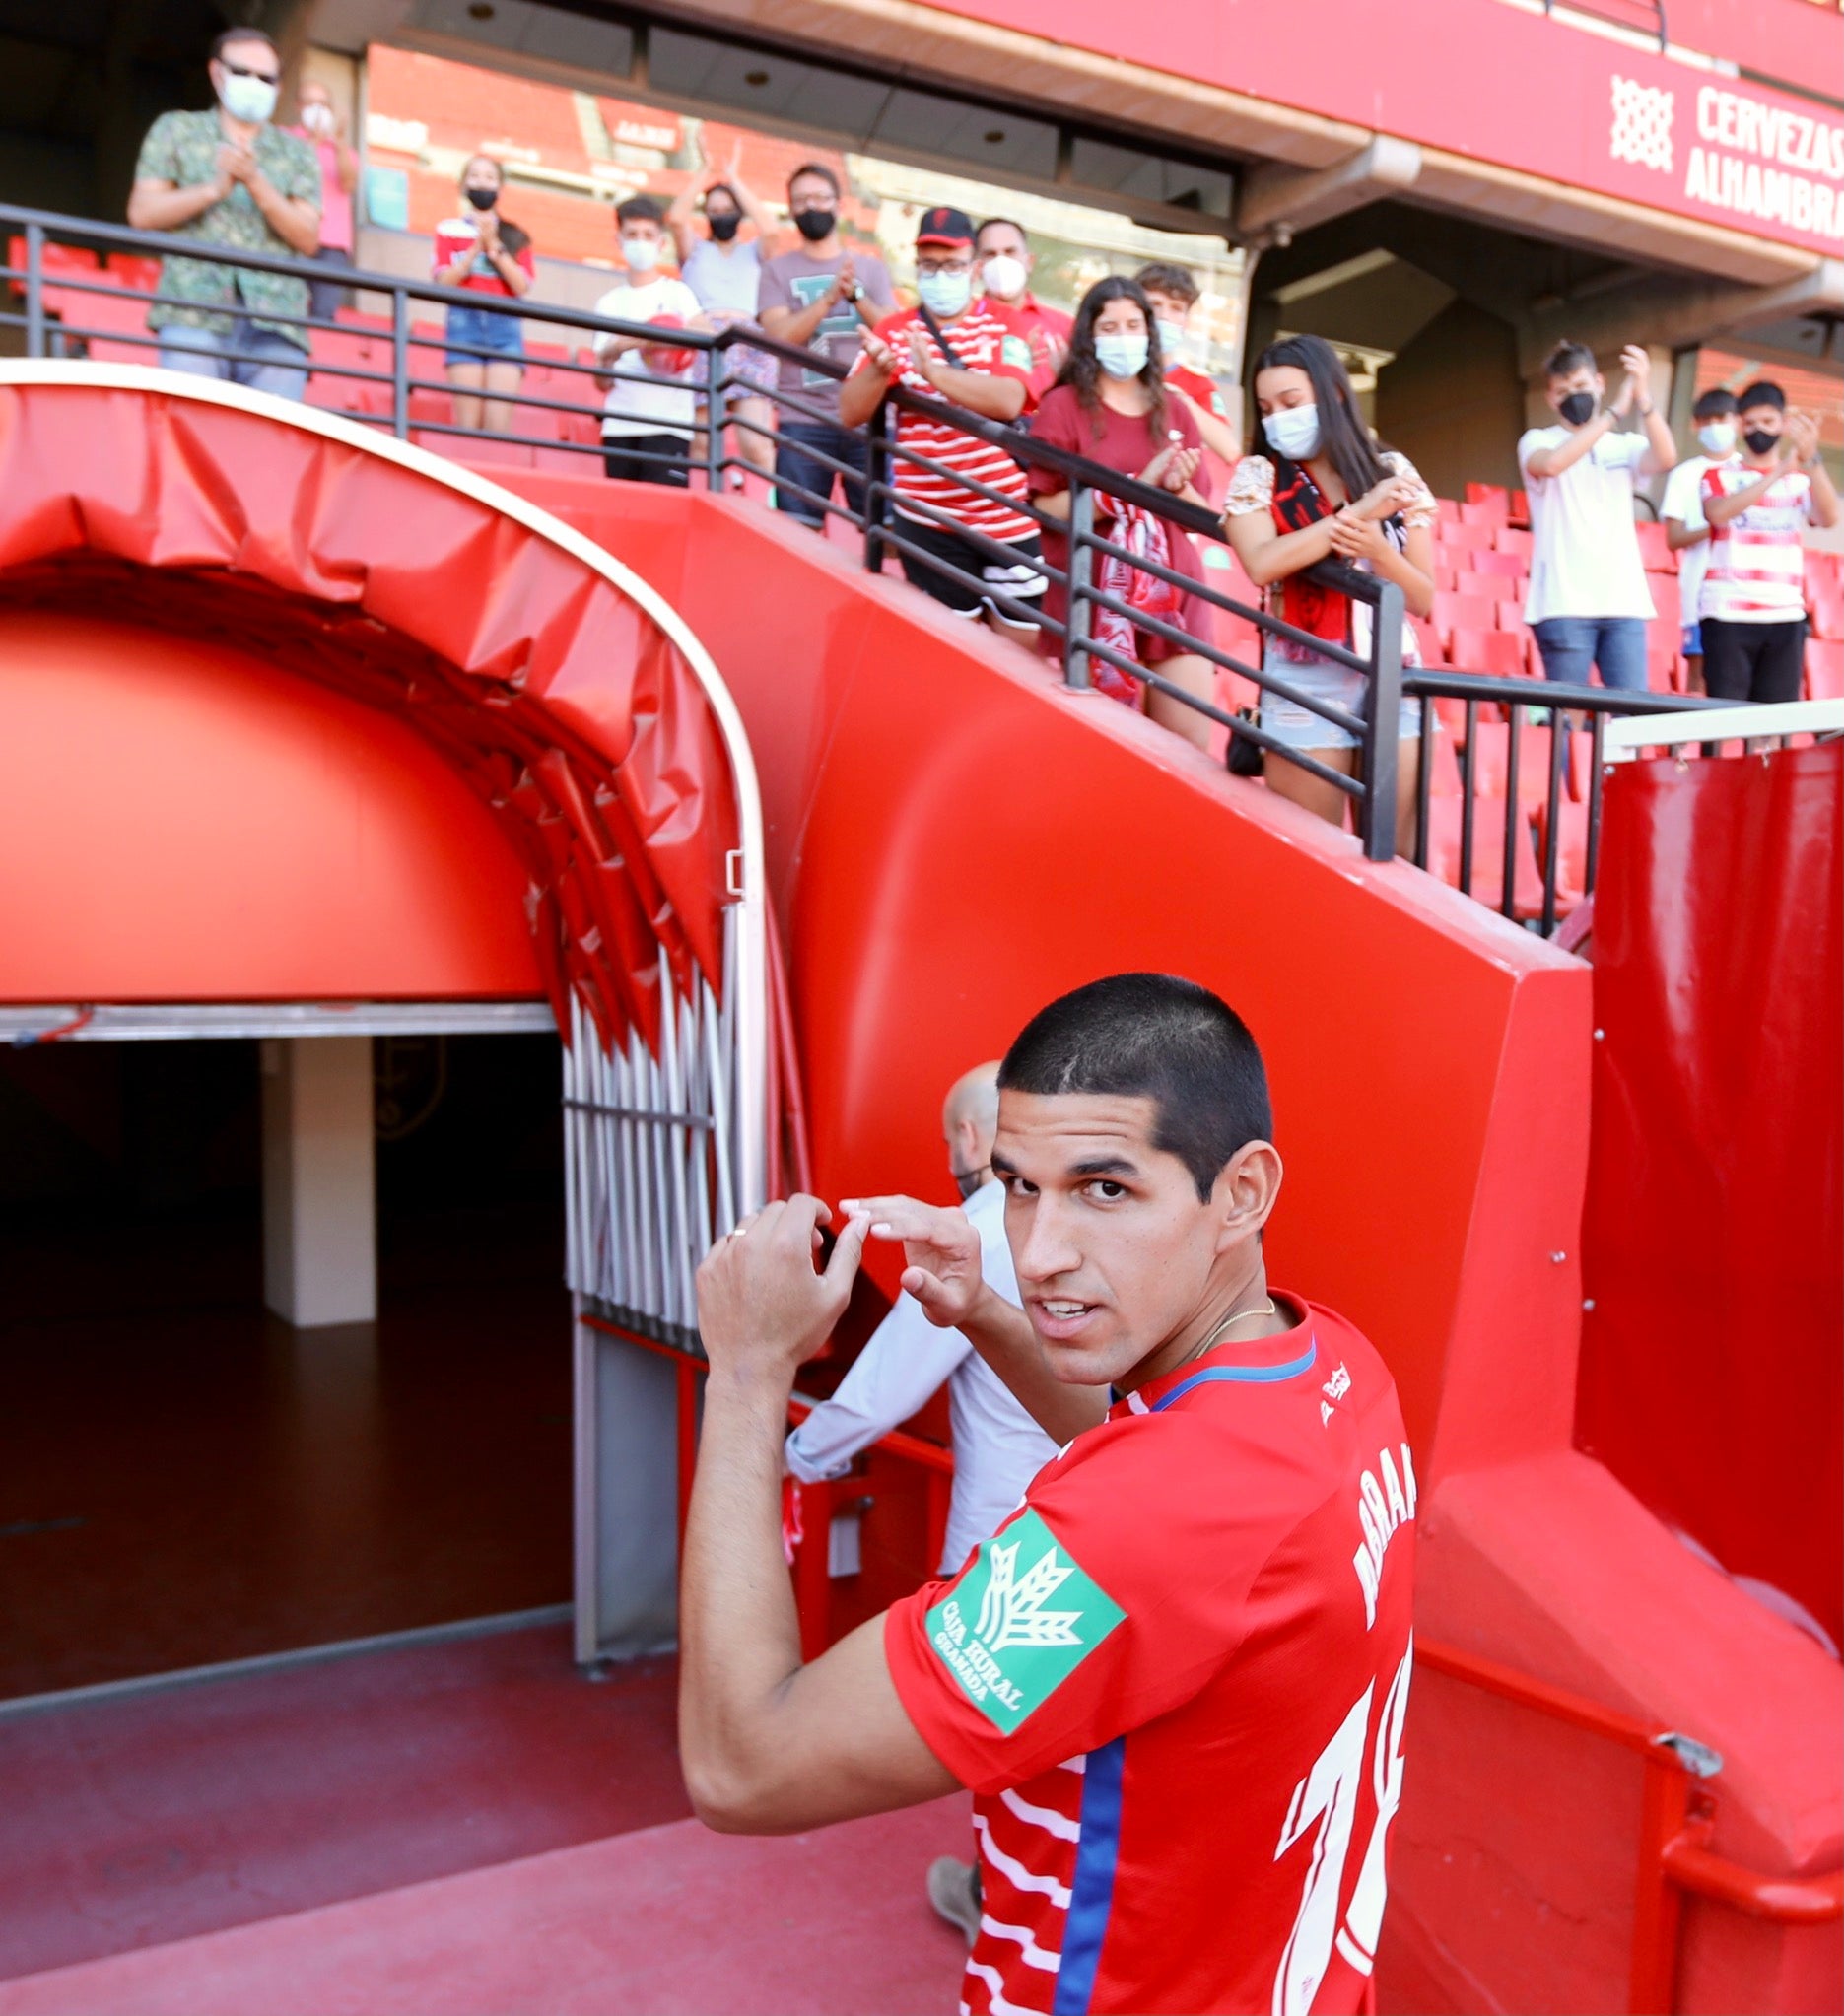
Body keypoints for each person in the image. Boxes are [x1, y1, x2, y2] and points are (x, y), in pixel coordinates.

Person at [683, 973, 1416, 2016]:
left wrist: (747, 1373)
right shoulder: (1330, 1367)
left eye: (1104, 1190)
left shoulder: (1141, 1528)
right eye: (1016, 1188)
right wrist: (981, 1313)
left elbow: (741, 1768)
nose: (1037, 1251)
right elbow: (1156, 1456)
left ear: (1243, 1192)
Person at [1222, 333, 1435, 848]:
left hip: (1393, 672)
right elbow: (1261, 562)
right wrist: (1359, 514)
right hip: (1306, 672)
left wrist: (1379, 551)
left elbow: (1424, 598)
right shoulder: (1258, 475)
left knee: (1395, 855)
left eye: (1292, 403)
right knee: (1309, 852)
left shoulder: (1393, 471)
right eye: (1267, 407)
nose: (1278, 418)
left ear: (1335, 396)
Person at [1027, 277, 1219, 751]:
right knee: (1108, 754)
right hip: (1096, 597)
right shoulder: (1063, 406)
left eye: (1134, 325)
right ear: (1089, 336)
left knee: (1188, 756)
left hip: (1174, 593)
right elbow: (1046, 505)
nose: (1123, 336)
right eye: (1109, 326)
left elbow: (1204, 515)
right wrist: (1129, 493)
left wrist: (1175, 487)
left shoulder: (1174, 409)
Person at [838, 206, 1045, 641]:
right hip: (929, 520)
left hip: (1006, 519)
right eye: (929, 265)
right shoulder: (895, 329)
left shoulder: (1009, 325)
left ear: (973, 267)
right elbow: (849, 412)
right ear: (916, 267)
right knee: (954, 649)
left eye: (951, 264)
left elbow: (1009, 399)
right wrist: (881, 370)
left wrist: (934, 373)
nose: (940, 274)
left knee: (1018, 652)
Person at [126, 28, 320, 401]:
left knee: (271, 452)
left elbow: (308, 237)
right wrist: (212, 190)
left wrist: (255, 182)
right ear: (216, 73)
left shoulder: (298, 153)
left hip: (278, 324)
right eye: (242, 72)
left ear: (279, 86)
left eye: (266, 78)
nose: (254, 83)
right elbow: (142, 212)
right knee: (191, 441)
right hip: (191, 313)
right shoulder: (177, 129)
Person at [1517, 340, 1676, 690]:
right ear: (1550, 398)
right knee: (1566, 718)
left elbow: (1666, 458)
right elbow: (1554, 464)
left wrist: (1644, 397)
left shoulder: (1625, 445)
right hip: (1563, 603)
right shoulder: (1537, 440)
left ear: (1599, 384)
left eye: (1581, 386)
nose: (1573, 396)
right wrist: (1613, 413)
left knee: (1630, 714)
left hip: (1623, 602)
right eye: (1563, 391)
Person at [757, 164, 896, 528]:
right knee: (797, 531)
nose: (811, 207)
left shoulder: (870, 267)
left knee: (883, 534)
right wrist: (827, 298)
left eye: (820, 198)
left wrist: (856, 295)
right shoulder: (776, 270)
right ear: (790, 207)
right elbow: (778, 337)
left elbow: (891, 330)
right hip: (802, 417)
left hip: (870, 417)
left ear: (839, 204)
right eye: (801, 200)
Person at [1699, 383, 1838, 704]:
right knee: (1721, 717)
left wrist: (1811, 458)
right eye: (1750, 423)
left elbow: (1829, 517)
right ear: (1739, 425)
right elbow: (1718, 513)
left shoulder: (1801, 481)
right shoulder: (1718, 475)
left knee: (1774, 720)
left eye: (1768, 422)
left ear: (1783, 424)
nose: (1759, 430)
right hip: (1727, 611)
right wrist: (1775, 473)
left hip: (1784, 613)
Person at [669, 143, 778, 484]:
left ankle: (767, 512)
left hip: (749, 345)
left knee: (756, 445)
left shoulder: (754, 252)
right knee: (701, 442)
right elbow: (675, 218)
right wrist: (704, 172)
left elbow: (772, 229)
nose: (721, 215)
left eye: (728, 209)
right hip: (706, 343)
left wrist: (733, 179)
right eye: (713, 210)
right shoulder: (695, 251)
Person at [591, 194, 707, 486]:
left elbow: (707, 332)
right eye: (632, 235)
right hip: (620, 426)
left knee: (666, 519)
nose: (640, 242)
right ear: (618, 239)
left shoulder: (677, 293)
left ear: (661, 243)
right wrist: (613, 350)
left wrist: (654, 335)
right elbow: (602, 382)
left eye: (648, 235)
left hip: (670, 426)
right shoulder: (608, 303)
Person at [433, 155, 535, 435]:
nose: (482, 182)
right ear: (464, 184)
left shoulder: (515, 235)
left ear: (500, 188)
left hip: (505, 328)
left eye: (489, 177)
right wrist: (474, 249)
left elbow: (522, 285)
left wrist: (493, 245)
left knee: (497, 428)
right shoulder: (448, 229)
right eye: (475, 176)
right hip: (464, 325)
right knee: (467, 425)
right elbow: (444, 281)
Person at [1660, 388, 1740, 696]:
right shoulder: (1684, 475)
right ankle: (1694, 745)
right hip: (1700, 591)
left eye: (1721, 419)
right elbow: (1674, 537)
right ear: (1696, 425)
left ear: (1736, 421)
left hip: (1743, 593)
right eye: (1707, 420)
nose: (1714, 426)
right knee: (1699, 675)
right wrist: (1718, 522)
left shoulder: (1750, 473)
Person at [1134, 262, 1241, 472]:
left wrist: (1180, 400)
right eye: (1155, 304)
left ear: (1187, 321)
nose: (1164, 316)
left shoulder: (1199, 386)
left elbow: (1230, 451)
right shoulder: (1114, 373)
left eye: (1176, 308)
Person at [286, 79, 358, 324]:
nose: (317, 110)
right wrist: (312, 145)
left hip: (332, 243)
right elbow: (283, 177)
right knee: (285, 306)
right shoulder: (285, 139)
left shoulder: (343, 149)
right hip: (291, 232)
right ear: (298, 106)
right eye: (310, 103)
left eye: (323, 104)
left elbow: (348, 183)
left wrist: (338, 144)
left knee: (324, 313)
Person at [974, 217, 1071, 388]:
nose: (1001, 262)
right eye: (991, 254)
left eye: (1010, 252)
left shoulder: (1065, 329)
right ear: (978, 267)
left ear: (1029, 262)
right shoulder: (962, 326)